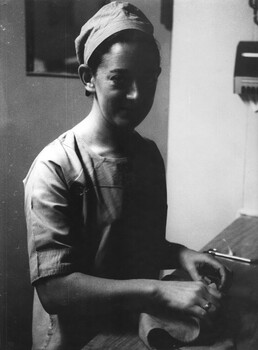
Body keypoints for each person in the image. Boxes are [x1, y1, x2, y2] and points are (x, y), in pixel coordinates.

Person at [23, 2, 230, 349]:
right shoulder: (56, 167)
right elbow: (54, 289)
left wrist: (179, 255)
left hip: (133, 331)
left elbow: (125, 244)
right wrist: (160, 289)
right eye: (120, 78)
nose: (136, 95)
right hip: (77, 340)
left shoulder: (147, 156)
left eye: (148, 79)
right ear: (89, 78)